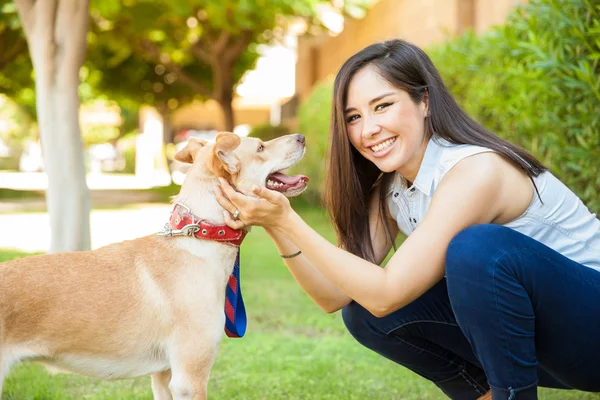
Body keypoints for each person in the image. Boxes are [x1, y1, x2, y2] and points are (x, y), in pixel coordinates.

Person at [214, 39, 600, 400]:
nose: (368, 130)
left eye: (382, 106)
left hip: (590, 325)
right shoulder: (393, 189)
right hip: (548, 340)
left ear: (425, 101)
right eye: (353, 117)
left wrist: (289, 221)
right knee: (360, 309)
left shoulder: (476, 171)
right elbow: (335, 295)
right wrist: (276, 221)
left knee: (476, 249)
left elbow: (387, 293)